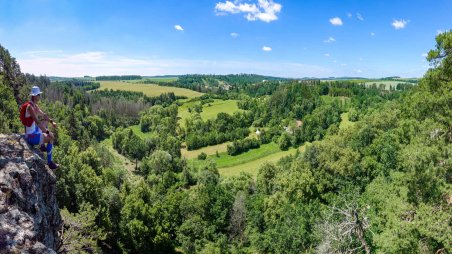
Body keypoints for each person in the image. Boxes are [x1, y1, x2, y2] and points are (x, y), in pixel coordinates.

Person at [21, 86, 59, 170]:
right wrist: (49, 132)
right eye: (38, 94)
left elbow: (44, 115)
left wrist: (51, 122)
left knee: (45, 120)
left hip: (34, 131)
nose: (39, 96)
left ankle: (42, 146)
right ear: (34, 96)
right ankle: (50, 163)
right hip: (31, 137)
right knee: (50, 139)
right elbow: (38, 122)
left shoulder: (34, 105)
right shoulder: (30, 108)